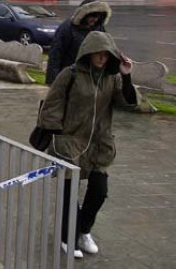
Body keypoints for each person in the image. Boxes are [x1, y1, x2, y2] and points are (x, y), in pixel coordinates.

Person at [37, 31, 139, 258]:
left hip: (99, 143)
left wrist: (127, 76)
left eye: (106, 54)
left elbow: (129, 103)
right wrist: (57, 135)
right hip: (70, 141)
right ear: (88, 52)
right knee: (69, 192)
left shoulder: (111, 78)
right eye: (98, 53)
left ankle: (83, 230)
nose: (102, 58)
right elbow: (51, 106)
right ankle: (67, 237)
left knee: (99, 191)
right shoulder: (70, 74)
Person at [46, 0, 111, 85]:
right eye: (93, 16)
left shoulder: (99, 29)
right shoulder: (67, 28)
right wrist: (52, 81)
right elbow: (55, 54)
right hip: (69, 77)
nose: (95, 19)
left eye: (98, 16)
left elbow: (106, 49)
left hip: (90, 78)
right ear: (84, 14)